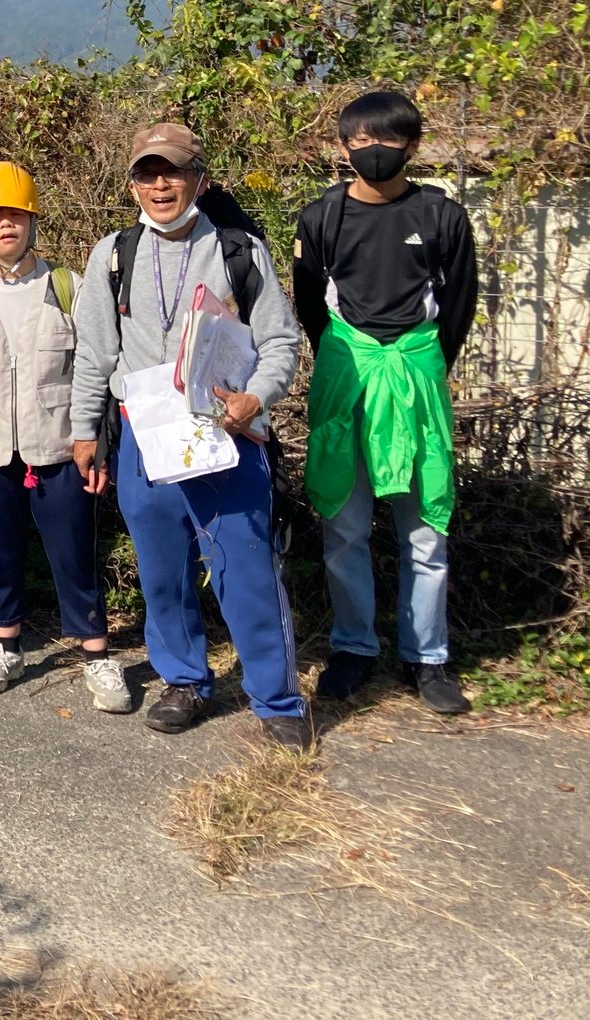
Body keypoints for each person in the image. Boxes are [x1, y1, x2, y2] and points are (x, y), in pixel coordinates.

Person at [69, 122, 311, 750]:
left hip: (226, 437)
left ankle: (277, 700)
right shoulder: (113, 254)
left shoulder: (239, 251)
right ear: (132, 186)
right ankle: (184, 680)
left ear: (199, 180)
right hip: (143, 438)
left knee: (246, 567)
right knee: (162, 572)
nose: (160, 185)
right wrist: (84, 430)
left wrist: (257, 397)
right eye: (146, 174)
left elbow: (280, 341)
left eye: (172, 172)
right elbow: (94, 353)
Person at [0, 163, 131, 713]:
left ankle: (96, 654)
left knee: (74, 551)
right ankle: (6, 645)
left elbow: (98, 367)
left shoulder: (69, 286)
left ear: (33, 220)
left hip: (59, 445)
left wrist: (97, 439)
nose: (5, 224)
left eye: (15, 214)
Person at [294, 90, 478, 716]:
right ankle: (353, 647)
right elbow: (310, 306)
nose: (374, 151)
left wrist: (420, 363)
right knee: (344, 529)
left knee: (425, 528)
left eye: (389, 140)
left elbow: (458, 307)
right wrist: (353, 358)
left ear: (413, 146)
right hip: (348, 379)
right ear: (344, 147)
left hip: (417, 381)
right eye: (361, 141)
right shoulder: (322, 217)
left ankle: (427, 656)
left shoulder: (441, 216)